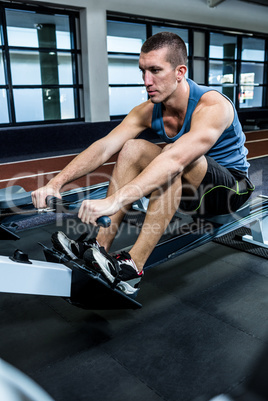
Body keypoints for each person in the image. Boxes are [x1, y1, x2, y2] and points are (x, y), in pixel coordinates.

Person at [32, 32, 254, 296]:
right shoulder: (147, 110)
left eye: (156, 71)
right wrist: (55, 183)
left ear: (180, 71)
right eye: (143, 71)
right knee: (132, 147)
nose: (147, 81)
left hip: (230, 192)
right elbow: (104, 147)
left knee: (172, 155)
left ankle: (133, 265)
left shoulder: (212, 105)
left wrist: (114, 200)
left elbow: (175, 159)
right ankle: (99, 247)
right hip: (189, 188)